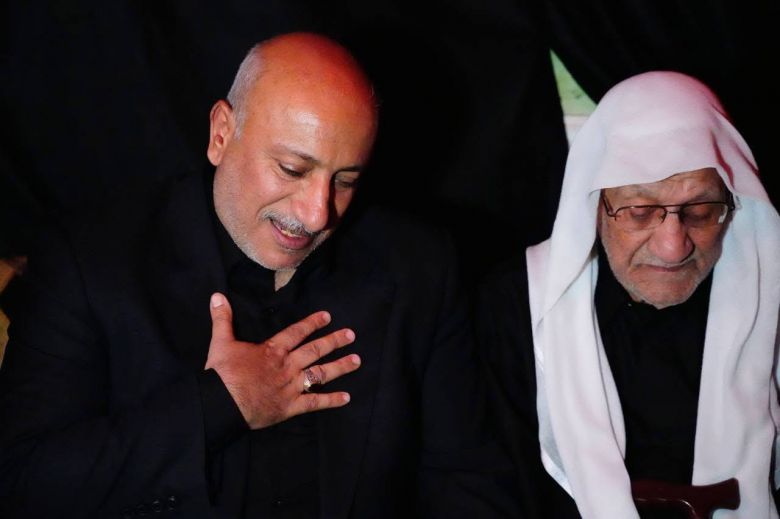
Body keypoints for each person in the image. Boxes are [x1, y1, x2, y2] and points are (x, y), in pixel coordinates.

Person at [0, 33, 513, 518]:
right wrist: (219, 406)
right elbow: (22, 484)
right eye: (292, 169)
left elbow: (469, 482)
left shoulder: (419, 266)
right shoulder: (90, 264)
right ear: (221, 134)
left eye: (345, 181)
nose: (317, 214)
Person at [478, 71, 780, 518]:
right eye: (640, 211)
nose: (673, 247)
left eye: (700, 211)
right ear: (596, 205)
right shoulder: (516, 304)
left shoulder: (770, 294)